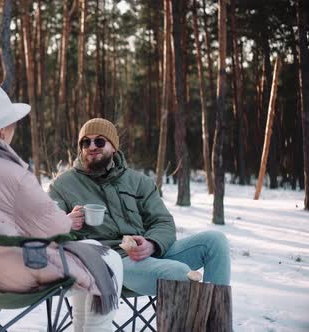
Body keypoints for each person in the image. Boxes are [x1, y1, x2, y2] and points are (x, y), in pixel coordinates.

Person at [0, 85, 123, 332]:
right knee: (109, 259)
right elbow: (51, 226)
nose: (13, 129)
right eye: (11, 123)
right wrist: (67, 220)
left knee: (93, 252)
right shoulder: (10, 173)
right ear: (0, 130)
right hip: (12, 272)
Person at [48, 118, 231, 296]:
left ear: (113, 147)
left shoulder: (138, 181)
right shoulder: (63, 185)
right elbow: (40, 228)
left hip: (148, 255)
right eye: (85, 143)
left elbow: (163, 222)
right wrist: (65, 223)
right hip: (109, 261)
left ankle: (216, 319)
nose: (92, 146)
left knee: (215, 242)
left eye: (100, 141)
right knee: (178, 273)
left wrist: (151, 244)